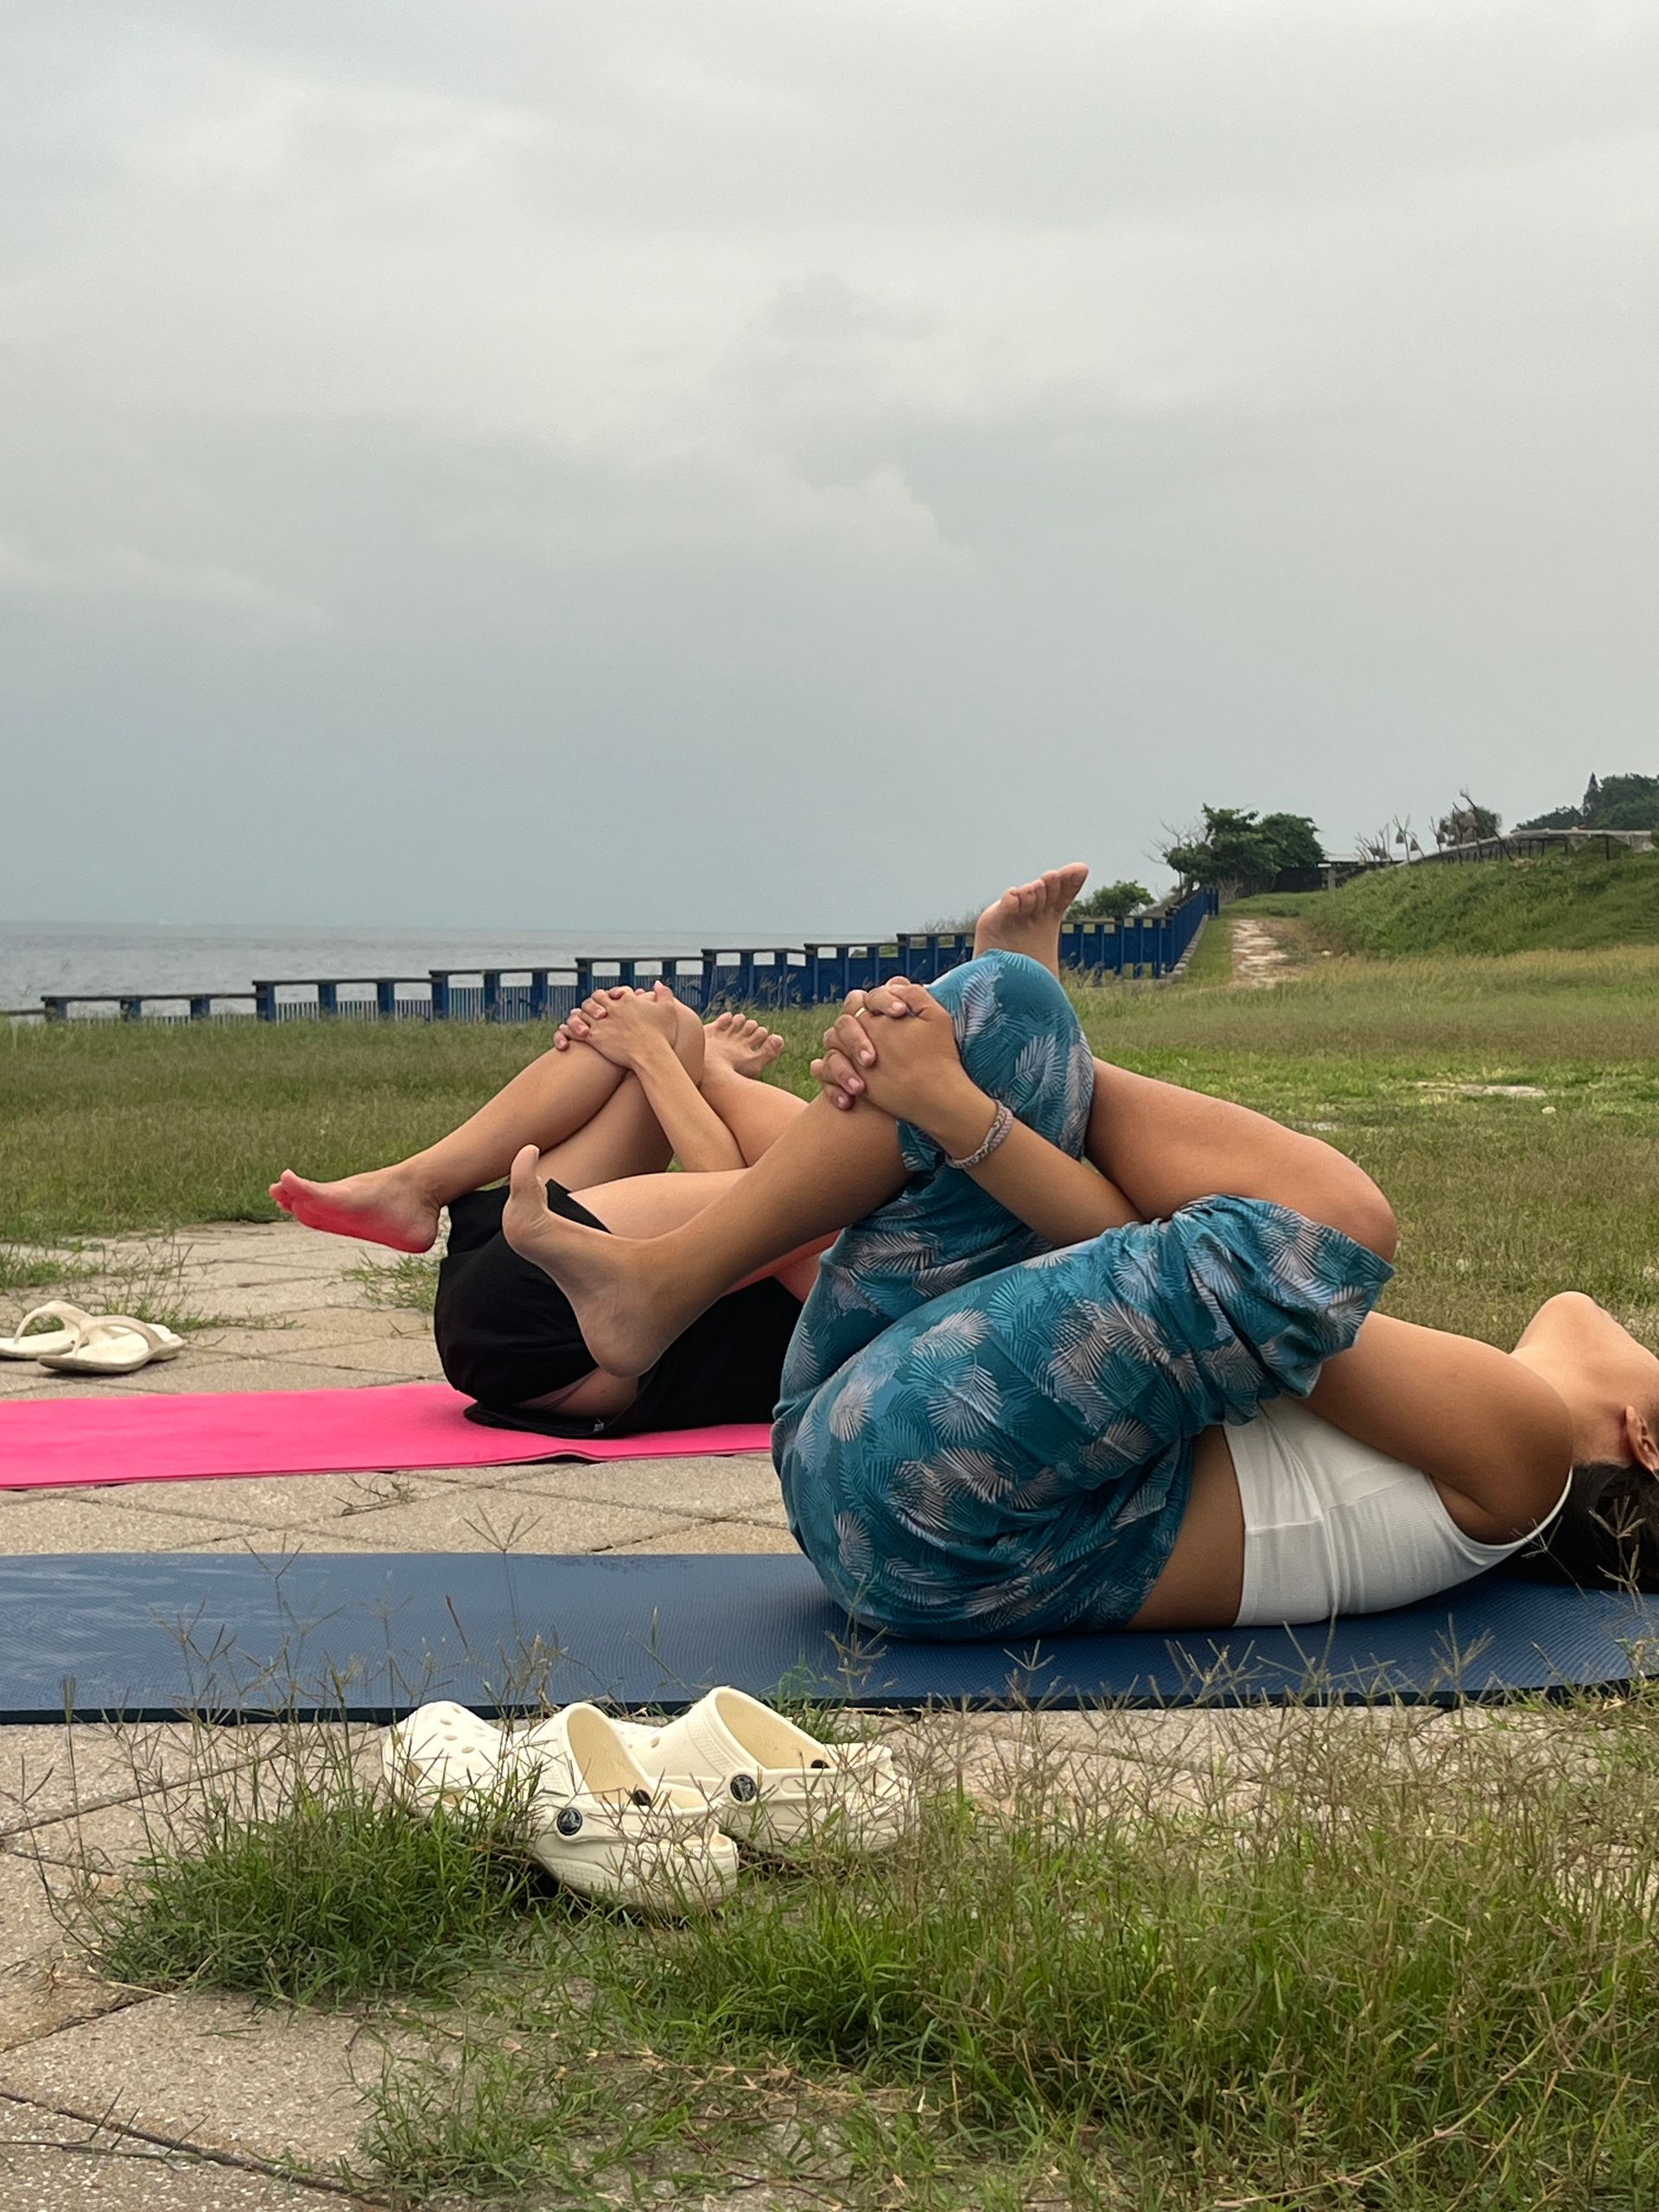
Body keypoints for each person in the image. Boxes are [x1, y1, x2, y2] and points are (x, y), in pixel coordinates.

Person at [495, 873, 1659, 1635]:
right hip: (879, 1440)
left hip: (926, 1521)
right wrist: (985, 1067)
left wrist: (965, 1107)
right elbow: (1152, 1287)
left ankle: (1011, 1037)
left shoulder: (1523, 1459)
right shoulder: (1487, 1441)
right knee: (1004, 1006)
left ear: (1648, 1443)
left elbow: (1233, 1270)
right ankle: (663, 1287)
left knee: (1334, 1227)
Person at [270, 993, 817, 1434]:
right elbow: (746, 1202)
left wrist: (679, 1064)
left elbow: (746, 1216)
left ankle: (414, 1187)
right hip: (520, 1295)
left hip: (555, 1334)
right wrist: (669, 1048)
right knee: (672, 1022)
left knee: (662, 1042)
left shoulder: (870, 1218)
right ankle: (415, 1185)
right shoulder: (857, 1171)